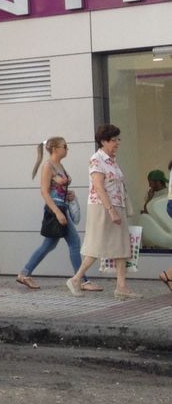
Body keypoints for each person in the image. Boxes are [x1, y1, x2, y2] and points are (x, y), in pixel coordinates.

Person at [16, 137, 100, 291]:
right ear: (55, 148)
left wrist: (69, 194)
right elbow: (44, 192)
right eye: (65, 146)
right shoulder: (48, 166)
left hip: (62, 207)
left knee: (48, 245)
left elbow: (58, 189)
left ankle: (24, 273)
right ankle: (81, 280)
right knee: (74, 243)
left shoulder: (59, 166)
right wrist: (57, 212)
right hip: (56, 210)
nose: (67, 149)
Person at [67, 124, 136, 299]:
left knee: (122, 246)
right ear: (103, 141)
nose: (117, 143)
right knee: (96, 245)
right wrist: (111, 210)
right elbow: (98, 186)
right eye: (114, 140)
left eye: (118, 139)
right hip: (102, 207)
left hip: (116, 205)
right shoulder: (97, 159)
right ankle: (76, 279)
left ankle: (121, 287)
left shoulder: (112, 160)